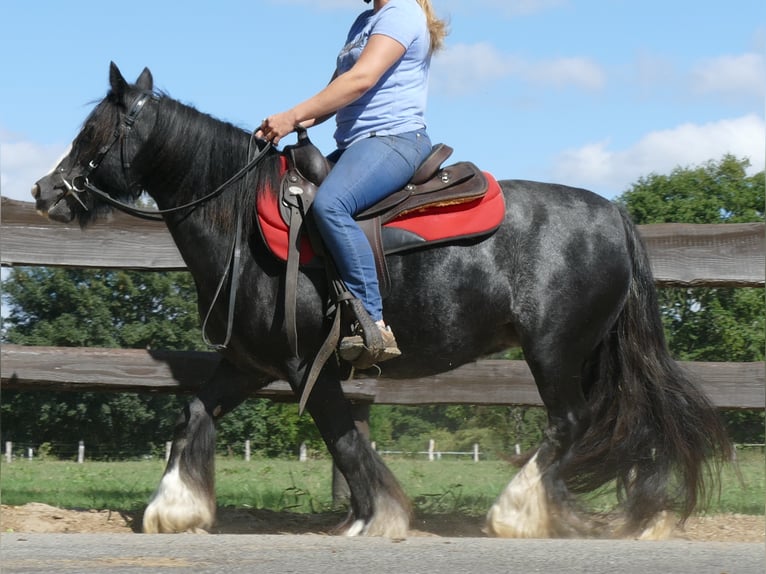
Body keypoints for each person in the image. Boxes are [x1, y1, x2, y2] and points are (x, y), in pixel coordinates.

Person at [257, 0, 448, 365]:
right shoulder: (364, 21)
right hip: (354, 146)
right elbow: (335, 92)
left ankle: (372, 325)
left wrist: (292, 115)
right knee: (295, 197)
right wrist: (285, 125)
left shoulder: (403, 12)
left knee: (332, 204)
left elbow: (361, 80)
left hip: (394, 140)